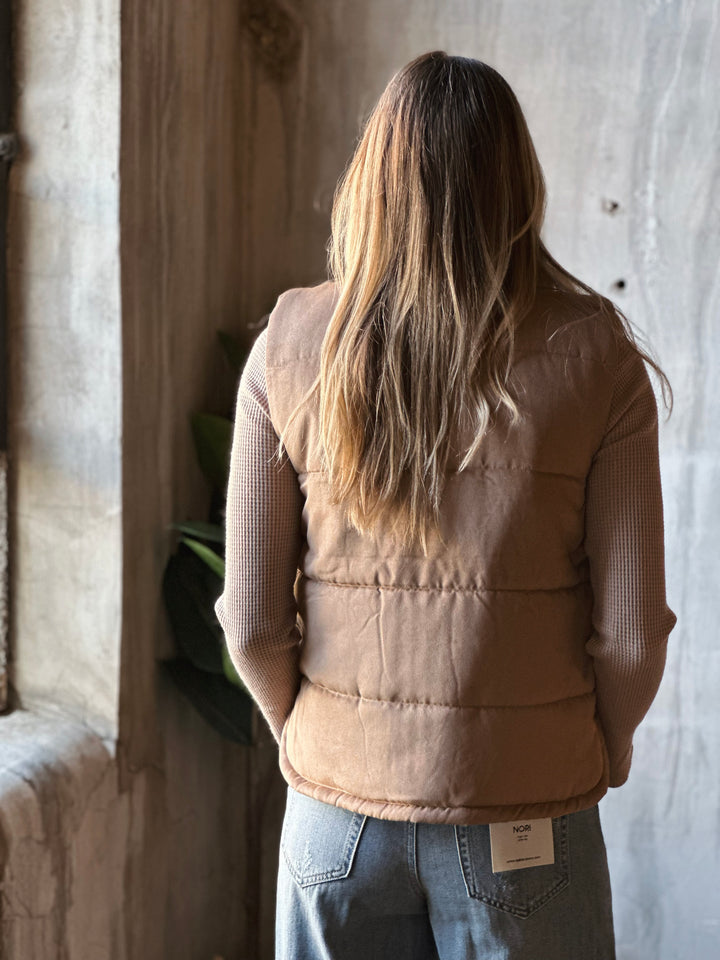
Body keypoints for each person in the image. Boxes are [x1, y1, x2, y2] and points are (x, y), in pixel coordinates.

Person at [215, 50, 677, 960]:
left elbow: (254, 625)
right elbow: (630, 636)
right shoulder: (597, 357)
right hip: (527, 809)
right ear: (518, 183)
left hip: (332, 819)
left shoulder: (289, 343)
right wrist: (602, 750)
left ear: (372, 177)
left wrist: (320, 740)